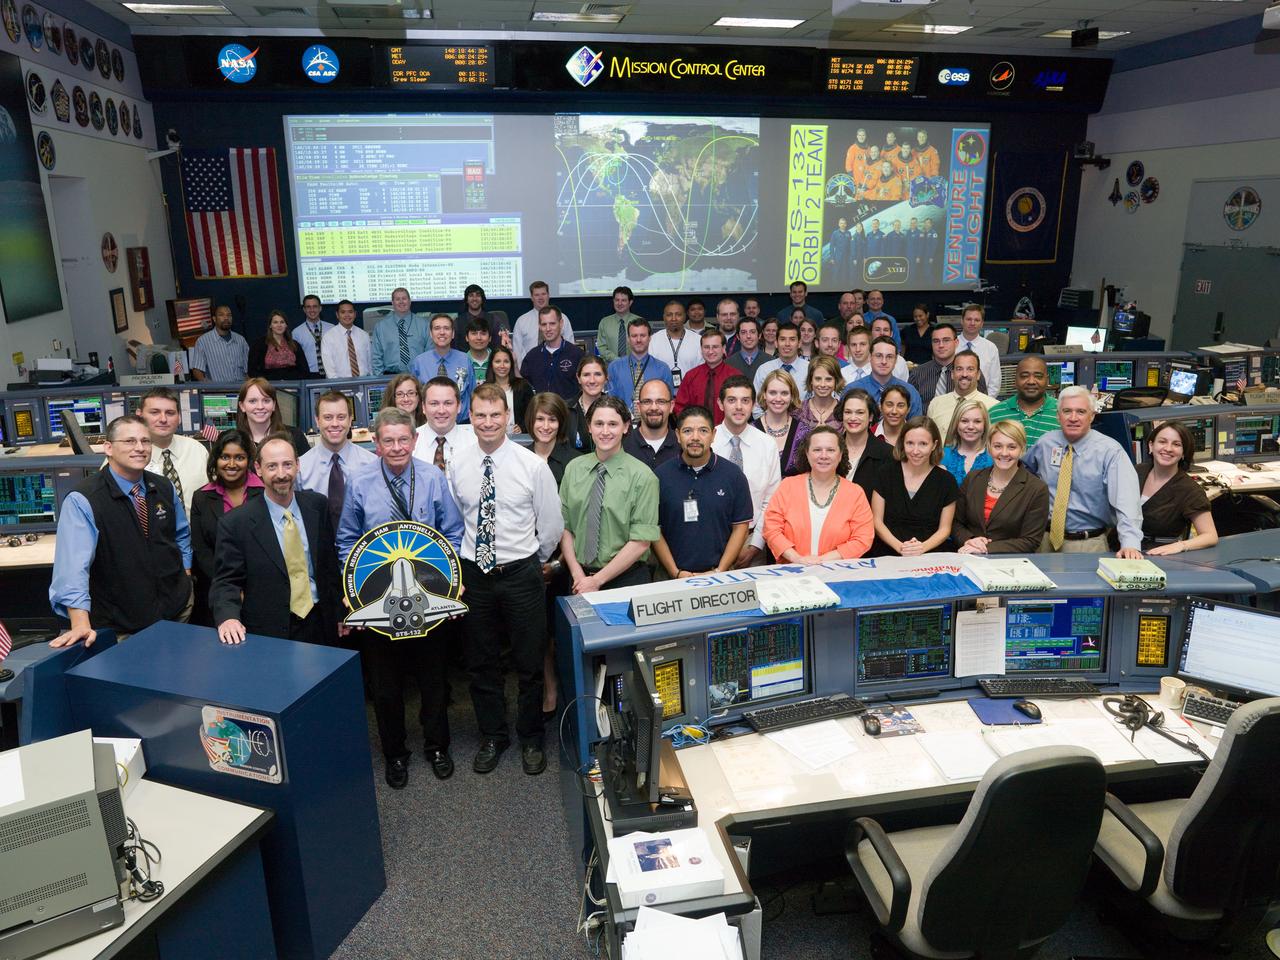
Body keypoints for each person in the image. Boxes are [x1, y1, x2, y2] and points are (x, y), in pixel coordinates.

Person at [337, 408, 464, 789]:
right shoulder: (359, 483)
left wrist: (450, 582)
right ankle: (395, 754)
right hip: (378, 600)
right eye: (388, 440)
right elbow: (346, 540)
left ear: (414, 440)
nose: (397, 448)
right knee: (386, 685)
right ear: (376, 444)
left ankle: (437, 746)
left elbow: (452, 533)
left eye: (403, 440)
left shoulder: (432, 477)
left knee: (433, 680)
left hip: (428, 598)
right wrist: (355, 589)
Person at [447, 386, 563, 776]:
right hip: (474, 576)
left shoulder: (532, 465)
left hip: (521, 574)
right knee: (481, 664)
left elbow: (550, 527)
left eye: (495, 415)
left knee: (529, 663)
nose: (488, 422)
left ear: (507, 415)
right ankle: (493, 736)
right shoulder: (457, 463)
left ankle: (531, 738)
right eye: (480, 415)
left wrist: (534, 562)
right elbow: (456, 519)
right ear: (470, 416)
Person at [49, 415, 192, 647]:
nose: (140, 448)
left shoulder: (163, 486)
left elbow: (181, 535)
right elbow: (73, 568)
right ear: (108, 448)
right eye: (129, 441)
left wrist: (185, 576)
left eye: (146, 441)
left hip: (175, 614)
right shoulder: (84, 499)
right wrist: (80, 623)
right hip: (121, 628)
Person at [211, 435, 341, 646]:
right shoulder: (236, 523)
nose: (281, 474)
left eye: (287, 464)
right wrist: (228, 617)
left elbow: (330, 567)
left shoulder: (317, 506)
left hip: (321, 623)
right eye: (272, 466)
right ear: (258, 469)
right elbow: (226, 581)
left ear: (297, 465)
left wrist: (339, 613)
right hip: (271, 631)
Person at [1027, 385, 1144, 558]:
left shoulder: (1110, 451)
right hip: (1043, 541)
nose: (1073, 418)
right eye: (1067, 411)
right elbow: (1022, 473)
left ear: (1092, 416)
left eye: (1081, 412)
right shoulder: (1045, 443)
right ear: (1058, 416)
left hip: (1088, 544)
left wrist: (1130, 544)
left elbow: (1127, 501)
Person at [560, 395, 659, 593]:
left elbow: (641, 541)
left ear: (625, 427)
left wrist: (596, 581)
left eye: (613, 424)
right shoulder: (574, 469)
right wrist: (579, 576)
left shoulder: (643, 476)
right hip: (577, 578)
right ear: (589, 427)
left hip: (626, 580)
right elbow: (564, 527)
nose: (605, 431)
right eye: (598, 424)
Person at [653, 407, 752, 579]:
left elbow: (740, 528)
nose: (695, 438)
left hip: (721, 576)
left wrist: (719, 571)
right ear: (677, 435)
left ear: (713, 435)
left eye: (703, 431)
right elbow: (655, 530)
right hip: (670, 578)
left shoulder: (733, 475)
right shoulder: (660, 476)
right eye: (687, 431)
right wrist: (675, 572)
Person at [764, 426, 874, 563]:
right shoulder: (788, 486)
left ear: (840, 455)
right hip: (791, 571)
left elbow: (863, 538)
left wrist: (821, 560)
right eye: (817, 450)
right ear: (807, 453)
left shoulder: (855, 493)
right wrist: (797, 559)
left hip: (838, 573)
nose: (823, 455)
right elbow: (771, 529)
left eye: (831, 450)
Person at [189, 429, 262, 626]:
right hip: (216, 589)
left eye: (239, 457)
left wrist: (250, 588)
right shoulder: (201, 498)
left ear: (249, 460)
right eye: (225, 457)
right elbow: (201, 549)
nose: (231, 464)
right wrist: (229, 586)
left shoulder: (265, 492)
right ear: (216, 459)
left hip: (261, 589)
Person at [954, 420, 1050, 555]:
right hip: (968, 556)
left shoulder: (1036, 489)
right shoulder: (973, 478)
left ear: (1022, 448)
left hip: (1011, 565)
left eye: (1012, 447)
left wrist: (986, 548)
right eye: (998, 446)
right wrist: (970, 540)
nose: (1004, 453)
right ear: (989, 447)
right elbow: (956, 523)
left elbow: (1031, 540)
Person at [713, 377, 780, 569]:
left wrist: (755, 545)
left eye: (745, 400)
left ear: (754, 404)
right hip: (714, 539)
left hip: (752, 541)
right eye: (732, 400)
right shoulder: (709, 441)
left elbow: (771, 500)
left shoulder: (767, 445)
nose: (739, 407)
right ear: (720, 403)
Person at [871, 417, 958, 557]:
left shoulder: (946, 481)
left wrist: (921, 548)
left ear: (934, 445)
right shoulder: (885, 473)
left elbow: (945, 529)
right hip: (887, 553)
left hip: (929, 555)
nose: (915, 451)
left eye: (923, 444)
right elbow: (877, 521)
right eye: (910, 443)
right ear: (902, 443)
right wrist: (900, 547)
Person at [297, 390, 377, 529]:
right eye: (328, 417)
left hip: (361, 545)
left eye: (341, 417)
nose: (335, 424)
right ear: (317, 420)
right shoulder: (301, 468)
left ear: (350, 419)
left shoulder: (371, 464)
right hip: (318, 547)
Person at [1137, 421, 1219, 555]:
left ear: (1183, 453)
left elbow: (1210, 536)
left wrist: (1181, 546)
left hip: (1158, 554)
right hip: (1122, 547)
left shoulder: (1190, 490)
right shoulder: (1137, 471)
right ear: (1151, 446)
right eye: (1162, 442)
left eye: (1176, 444)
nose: (1168, 448)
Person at [135, 387, 206, 512]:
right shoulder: (124, 455)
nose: (163, 419)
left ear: (179, 417)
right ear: (139, 415)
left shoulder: (197, 450)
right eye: (154, 412)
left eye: (170, 413)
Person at [410, 314, 475, 421]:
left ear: (453, 333)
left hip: (462, 423)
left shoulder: (464, 359)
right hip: (430, 423)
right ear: (431, 334)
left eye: (446, 328)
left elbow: (473, 393)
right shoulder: (419, 362)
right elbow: (415, 397)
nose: (442, 332)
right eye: (437, 328)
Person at [606, 317, 674, 420]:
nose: (638, 340)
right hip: (623, 426)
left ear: (649, 338)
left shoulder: (663, 369)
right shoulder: (614, 367)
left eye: (642, 335)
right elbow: (610, 402)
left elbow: (667, 403)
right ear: (628, 339)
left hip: (654, 424)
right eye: (634, 336)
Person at [787, 355, 845, 473]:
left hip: (837, 473)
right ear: (810, 381)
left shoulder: (844, 412)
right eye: (818, 379)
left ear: (836, 381)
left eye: (828, 379)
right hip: (800, 474)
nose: (823, 384)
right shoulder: (797, 411)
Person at [909, 322, 987, 406]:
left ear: (956, 342)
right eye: (936, 341)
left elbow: (982, 404)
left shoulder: (970, 374)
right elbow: (910, 407)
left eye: (946, 340)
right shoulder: (917, 374)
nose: (941, 345)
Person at [988, 356, 1059, 447]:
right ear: (1015, 380)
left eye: (1038, 376)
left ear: (1047, 380)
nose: (1031, 381)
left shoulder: (1063, 413)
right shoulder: (994, 414)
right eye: (1024, 376)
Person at [844, 336, 923, 418]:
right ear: (870, 357)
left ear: (896, 360)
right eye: (878, 356)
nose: (884, 362)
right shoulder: (852, 390)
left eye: (889, 357)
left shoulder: (910, 392)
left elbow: (916, 427)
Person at [413, 377, 477, 475]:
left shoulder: (475, 441)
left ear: (459, 406)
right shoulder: (410, 442)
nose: (441, 411)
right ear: (423, 407)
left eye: (448, 403)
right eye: (434, 403)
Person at [927, 350, 997, 437]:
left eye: (970, 369)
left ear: (978, 374)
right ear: (952, 374)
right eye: (959, 369)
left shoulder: (993, 406)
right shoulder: (936, 404)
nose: (964, 374)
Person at [235, 378, 310, 460]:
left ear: (274, 404)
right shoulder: (234, 441)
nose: (260, 407)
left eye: (266, 401)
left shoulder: (295, 436)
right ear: (242, 406)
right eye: (253, 401)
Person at [520, 305, 583, 399]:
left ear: (561, 323)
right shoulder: (532, 356)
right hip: (541, 411)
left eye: (552, 323)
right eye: (544, 324)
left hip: (569, 411)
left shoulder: (577, 355)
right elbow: (522, 385)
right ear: (539, 326)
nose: (548, 329)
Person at [839, 389, 893, 500]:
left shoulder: (887, 454)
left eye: (860, 412)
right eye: (848, 412)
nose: (853, 418)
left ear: (871, 417)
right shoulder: (830, 449)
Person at [674, 328, 736, 425]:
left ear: (724, 348)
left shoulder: (735, 376)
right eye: (706, 347)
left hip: (728, 432)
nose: (710, 351)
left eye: (715, 347)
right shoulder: (691, 376)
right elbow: (680, 407)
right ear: (701, 349)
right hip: (695, 433)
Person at [512, 280, 574, 367]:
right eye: (537, 295)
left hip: (559, 368)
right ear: (531, 298)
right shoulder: (521, 321)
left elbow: (570, 345)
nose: (540, 298)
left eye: (543, 294)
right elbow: (517, 350)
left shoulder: (562, 318)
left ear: (549, 295)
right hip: (530, 370)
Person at [370, 288, 429, 376]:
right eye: (397, 299)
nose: (401, 302)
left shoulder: (424, 325)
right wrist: (380, 380)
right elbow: (376, 357)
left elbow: (429, 352)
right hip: (390, 378)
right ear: (392, 303)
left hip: (418, 376)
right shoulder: (381, 327)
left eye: (404, 298)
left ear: (410, 301)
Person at [755, 369, 803, 476]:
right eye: (772, 392)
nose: (778, 398)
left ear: (792, 396)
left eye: (784, 393)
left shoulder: (804, 433)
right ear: (764, 395)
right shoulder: (750, 431)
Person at [623, 379, 679, 470]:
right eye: (647, 401)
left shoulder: (683, 446)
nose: (654, 407)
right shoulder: (622, 447)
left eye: (661, 401)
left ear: (671, 406)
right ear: (638, 407)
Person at [526, 392, 578, 486]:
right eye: (540, 419)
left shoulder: (575, 462)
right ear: (531, 421)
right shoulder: (520, 459)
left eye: (552, 420)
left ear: (561, 423)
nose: (546, 426)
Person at [648, 300, 703, 388]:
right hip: (662, 394)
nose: (674, 318)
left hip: (690, 394)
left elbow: (702, 371)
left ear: (685, 316)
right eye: (669, 315)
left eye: (678, 314)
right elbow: (650, 371)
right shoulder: (653, 340)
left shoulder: (698, 340)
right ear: (664, 317)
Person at [941, 396, 994, 484]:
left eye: (977, 421)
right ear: (956, 424)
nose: (970, 427)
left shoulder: (994, 456)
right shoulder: (943, 455)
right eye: (964, 421)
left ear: (985, 425)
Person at [753, 323, 809, 406]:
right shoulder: (764, 370)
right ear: (776, 343)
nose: (787, 344)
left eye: (792, 339)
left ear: (799, 343)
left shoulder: (809, 369)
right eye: (782, 339)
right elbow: (756, 405)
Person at [190, 304, 249, 382]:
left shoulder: (241, 340)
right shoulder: (203, 341)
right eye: (221, 315)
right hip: (218, 391)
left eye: (229, 315)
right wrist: (206, 383)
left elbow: (248, 370)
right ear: (214, 319)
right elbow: (197, 369)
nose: (226, 318)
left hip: (241, 390)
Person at [486, 344, 533, 434]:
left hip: (518, 439)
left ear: (511, 364)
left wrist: (522, 428)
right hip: (491, 436)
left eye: (506, 362)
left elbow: (532, 413)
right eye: (497, 361)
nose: (502, 366)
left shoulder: (523, 386)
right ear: (491, 364)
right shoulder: (484, 389)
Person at [249, 309, 308, 380]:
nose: (279, 325)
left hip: (293, 386)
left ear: (286, 325)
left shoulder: (295, 344)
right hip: (269, 386)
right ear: (270, 325)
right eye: (275, 322)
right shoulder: (258, 344)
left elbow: (304, 370)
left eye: (282, 322)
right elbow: (252, 371)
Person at [958, 303, 1002, 398]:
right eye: (969, 319)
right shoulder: (951, 345)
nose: (972, 323)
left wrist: (984, 404)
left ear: (982, 324)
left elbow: (995, 383)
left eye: (977, 320)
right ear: (962, 321)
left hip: (982, 403)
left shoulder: (991, 348)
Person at [320, 299, 371, 378]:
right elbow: (329, 368)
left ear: (355, 314)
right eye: (343, 312)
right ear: (337, 315)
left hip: (364, 381)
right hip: (340, 384)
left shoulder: (364, 335)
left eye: (350, 312)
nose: (347, 315)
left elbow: (370, 363)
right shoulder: (328, 337)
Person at [566, 356, 607, 454]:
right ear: (578, 378)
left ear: (606, 378)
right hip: (574, 466)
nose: (592, 380)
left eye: (597, 374)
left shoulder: (618, 410)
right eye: (586, 375)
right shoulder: (565, 409)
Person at [454, 283, 511, 352]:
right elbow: (455, 347)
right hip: (464, 360)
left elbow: (499, 344)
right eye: (471, 295)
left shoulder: (493, 320)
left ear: (482, 299)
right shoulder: (457, 322)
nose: (474, 299)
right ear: (466, 300)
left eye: (478, 295)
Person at [595, 286, 641, 365]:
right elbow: (601, 347)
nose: (619, 303)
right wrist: (617, 360)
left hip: (635, 366)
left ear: (630, 302)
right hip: (611, 367)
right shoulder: (604, 322)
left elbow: (643, 345)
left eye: (623, 300)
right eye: (617, 300)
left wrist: (630, 361)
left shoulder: (640, 322)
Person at [293, 294, 333, 376]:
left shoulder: (332, 329)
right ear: (304, 309)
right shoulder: (296, 333)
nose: (312, 310)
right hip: (309, 375)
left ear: (320, 308)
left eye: (315, 306)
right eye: (308, 307)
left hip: (332, 373)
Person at [726, 318, 767, 382]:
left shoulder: (770, 361)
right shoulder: (728, 364)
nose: (748, 336)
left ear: (759, 335)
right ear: (738, 336)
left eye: (752, 332)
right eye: (743, 332)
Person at [462, 317, 493, 384]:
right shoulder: (461, 361)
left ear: (490, 338)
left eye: (483, 334)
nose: (479, 338)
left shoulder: (497, 360)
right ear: (467, 338)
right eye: (474, 333)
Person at [828, 217, 853, 288]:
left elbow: (850, 246)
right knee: (835, 273)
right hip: (837, 257)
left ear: (846, 224)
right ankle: (834, 288)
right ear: (839, 224)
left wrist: (851, 257)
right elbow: (831, 246)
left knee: (844, 273)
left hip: (846, 257)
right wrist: (832, 258)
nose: (842, 224)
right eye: (841, 223)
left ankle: (843, 288)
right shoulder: (835, 233)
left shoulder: (849, 233)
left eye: (844, 223)